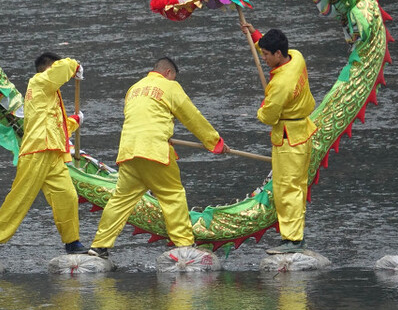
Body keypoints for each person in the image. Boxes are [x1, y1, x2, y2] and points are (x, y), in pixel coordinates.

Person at [86, 57, 227, 258]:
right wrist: (214, 142)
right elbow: (191, 116)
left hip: (128, 152)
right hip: (154, 151)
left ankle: (99, 246)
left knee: (120, 201)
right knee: (173, 195)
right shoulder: (170, 86)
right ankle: (185, 244)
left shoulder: (133, 88)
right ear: (168, 73)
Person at [0, 52, 86, 260]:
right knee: (20, 197)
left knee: (67, 196)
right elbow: (60, 70)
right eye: (55, 68)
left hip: (53, 153)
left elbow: (56, 124)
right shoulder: (39, 82)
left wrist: (74, 120)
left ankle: (72, 241)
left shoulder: (49, 92)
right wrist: (74, 65)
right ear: (48, 68)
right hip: (37, 150)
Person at [241, 23, 317, 254]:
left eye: (265, 54)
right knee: (297, 186)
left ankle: (292, 240)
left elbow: (268, 116)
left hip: (288, 138)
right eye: (261, 52)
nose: (262, 57)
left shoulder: (280, 84)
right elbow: (271, 46)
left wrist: (262, 108)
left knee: (287, 189)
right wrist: (254, 35)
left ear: (277, 54)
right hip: (302, 131)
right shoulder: (296, 56)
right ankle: (296, 236)